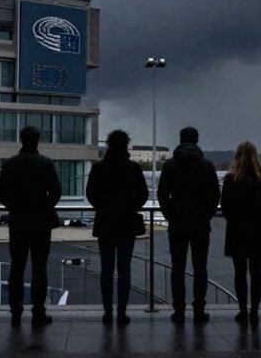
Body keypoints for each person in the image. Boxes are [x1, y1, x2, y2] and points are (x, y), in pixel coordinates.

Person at [0, 125, 62, 327]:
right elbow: (56, 192)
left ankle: (15, 310)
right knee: (39, 267)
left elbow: (2, 192)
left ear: (21, 139)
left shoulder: (10, 164)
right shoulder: (46, 164)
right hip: (41, 222)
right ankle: (38, 311)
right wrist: (43, 205)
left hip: (18, 221)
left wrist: (16, 207)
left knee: (17, 266)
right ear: (38, 140)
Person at [157, 126, 221, 324]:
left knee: (178, 267)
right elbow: (215, 195)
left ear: (180, 139)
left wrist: (169, 215)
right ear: (197, 140)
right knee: (200, 267)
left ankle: (178, 310)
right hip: (200, 223)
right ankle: (199, 309)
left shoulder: (170, 165)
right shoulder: (207, 166)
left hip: (177, 223)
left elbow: (162, 194)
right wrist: (207, 215)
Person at [86, 130, 149, 326]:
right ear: (126, 145)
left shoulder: (99, 168)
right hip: (127, 223)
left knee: (106, 269)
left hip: (105, 222)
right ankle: (122, 312)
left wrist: (103, 207)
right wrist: (130, 207)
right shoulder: (133, 168)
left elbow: (91, 194)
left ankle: (107, 311)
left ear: (109, 145)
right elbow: (144, 194)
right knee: (124, 269)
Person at [220, 141, 261, 325]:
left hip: (236, 229)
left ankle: (242, 310)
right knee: (256, 272)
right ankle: (255, 311)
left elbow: (225, 206)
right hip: (257, 229)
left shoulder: (230, 179)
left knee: (240, 272)